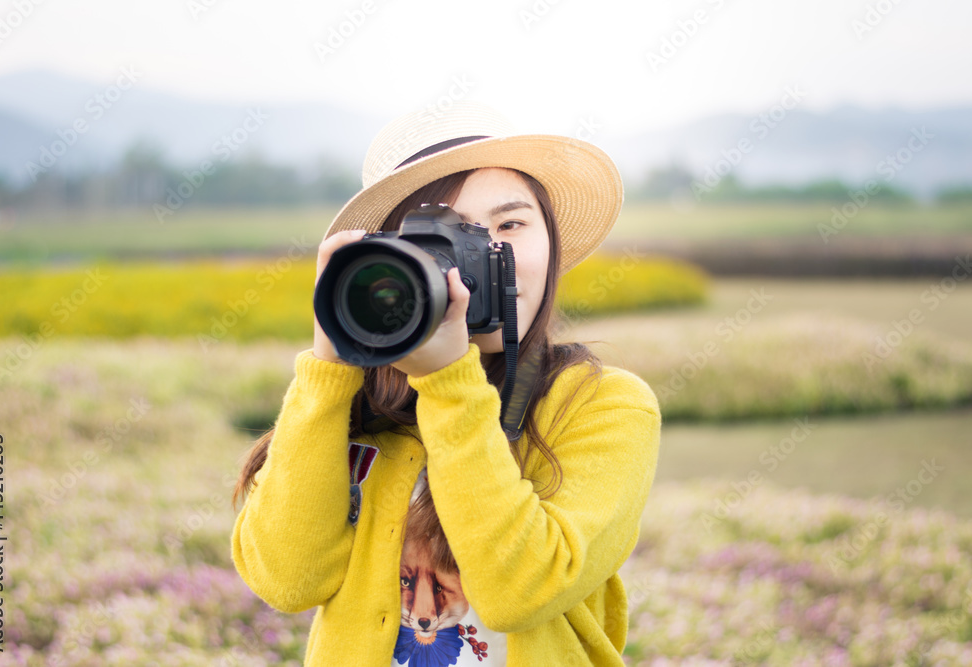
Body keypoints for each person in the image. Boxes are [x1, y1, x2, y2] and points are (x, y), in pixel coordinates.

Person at [230, 102, 661, 666]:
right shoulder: (351, 406)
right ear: (389, 261)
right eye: (442, 243)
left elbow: (519, 592)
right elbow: (287, 581)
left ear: (551, 244)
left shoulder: (602, 405)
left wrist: (448, 382)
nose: (474, 262)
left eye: (509, 225)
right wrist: (330, 367)